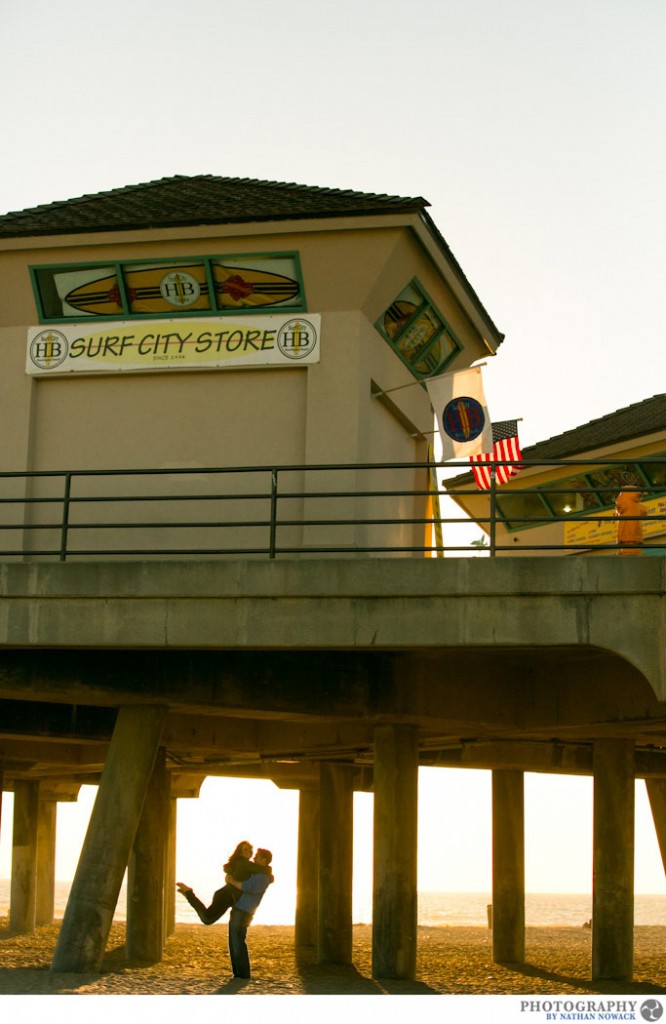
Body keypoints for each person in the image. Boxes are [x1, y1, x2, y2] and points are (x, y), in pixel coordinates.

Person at [176, 840, 271, 924]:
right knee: (207, 919)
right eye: (245, 849)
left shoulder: (241, 863)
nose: (248, 852)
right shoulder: (244, 864)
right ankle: (188, 893)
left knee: (207, 917)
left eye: (249, 849)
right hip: (227, 896)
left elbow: (230, 870)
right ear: (240, 852)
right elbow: (262, 870)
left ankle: (188, 894)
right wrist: (270, 876)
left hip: (225, 894)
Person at [227, 848, 274, 978]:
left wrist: (231, 881)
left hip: (244, 911)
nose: (254, 858)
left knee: (238, 941)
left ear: (264, 860)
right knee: (233, 941)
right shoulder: (256, 873)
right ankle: (237, 973)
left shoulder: (262, 878)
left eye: (257, 857)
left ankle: (243, 974)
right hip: (239, 909)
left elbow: (246, 887)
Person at [615, 486, 648, 555]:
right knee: (634, 540)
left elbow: (619, 509)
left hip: (625, 532)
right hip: (636, 530)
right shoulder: (637, 505)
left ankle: (625, 550)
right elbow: (644, 511)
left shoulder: (622, 502)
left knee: (626, 541)